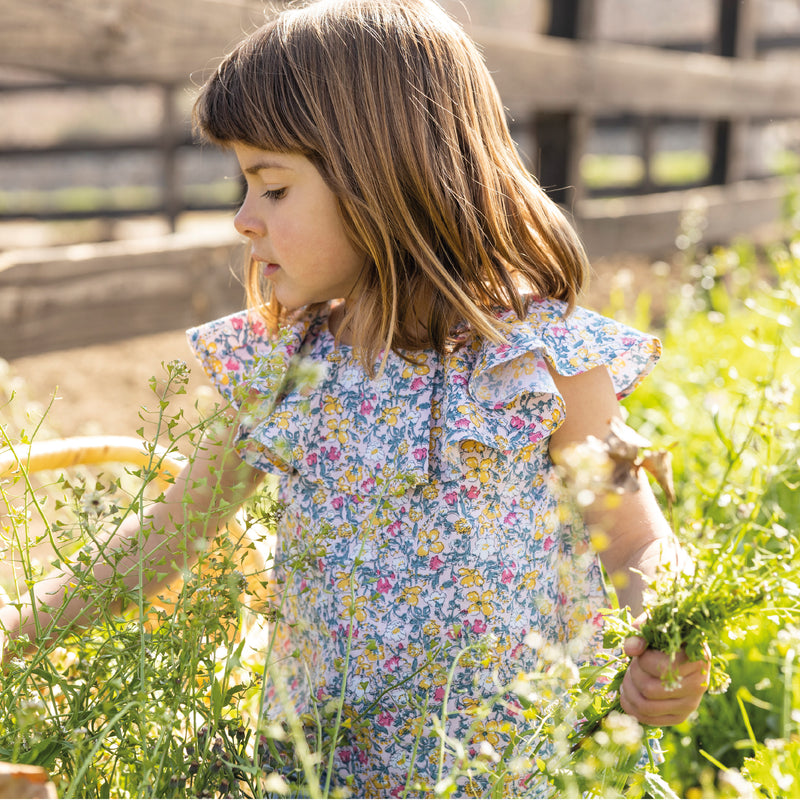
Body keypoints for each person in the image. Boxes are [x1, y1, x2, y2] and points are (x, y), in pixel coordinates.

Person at [1, 0, 709, 795]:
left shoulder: (537, 362)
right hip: (326, 773)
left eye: (272, 188)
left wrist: (667, 639)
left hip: (518, 772)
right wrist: (11, 634)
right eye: (244, 186)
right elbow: (163, 541)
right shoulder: (287, 367)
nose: (242, 219)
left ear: (384, 177)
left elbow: (635, 543)